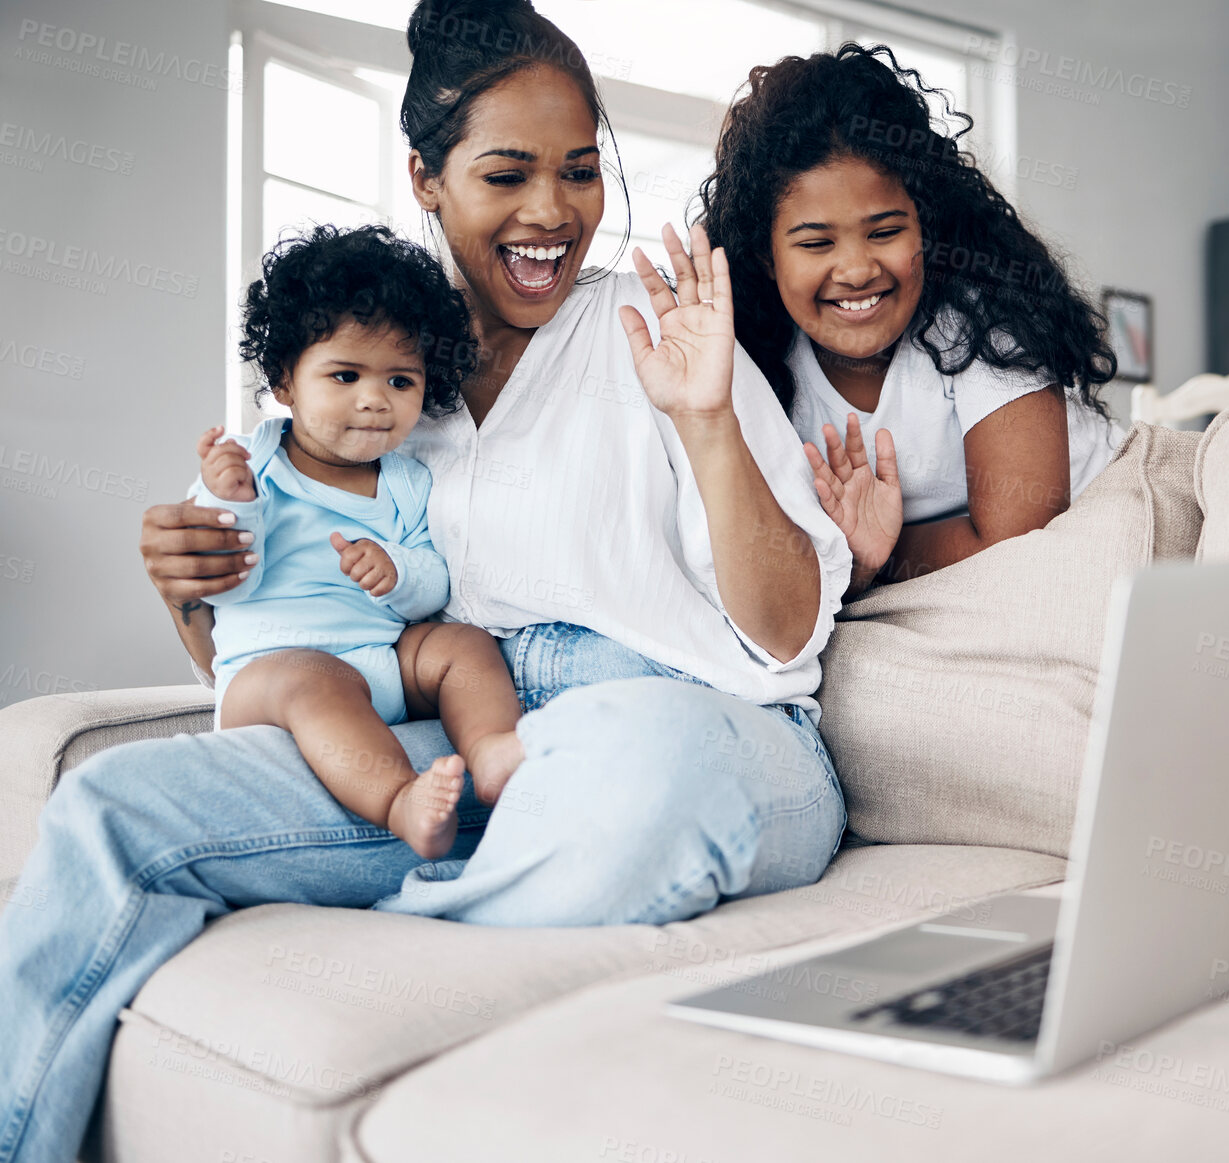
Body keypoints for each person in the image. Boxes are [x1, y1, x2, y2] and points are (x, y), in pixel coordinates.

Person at [0, 2, 849, 1159]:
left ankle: (411, 943)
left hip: (700, 724)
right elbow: (281, 653)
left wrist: (705, 421)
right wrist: (191, 595)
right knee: (110, 807)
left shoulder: (655, 327)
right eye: (508, 173)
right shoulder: (376, 371)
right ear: (426, 178)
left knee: (650, 754)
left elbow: (788, 632)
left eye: (581, 170)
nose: (554, 211)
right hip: (454, 742)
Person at [700, 43, 1122, 599]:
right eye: (816, 242)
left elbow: (1017, 540)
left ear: (926, 227)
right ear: (764, 257)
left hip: (1103, 522)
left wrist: (864, 551)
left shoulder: (980, 318)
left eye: (884, 232)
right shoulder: (758, 364)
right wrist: (850, 557)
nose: (855, 269)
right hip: (941, 587)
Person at [193, 224, 524, 859]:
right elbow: (222, 577)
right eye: (345, 376)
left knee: (461, 643)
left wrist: (399, 573)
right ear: (284, 382)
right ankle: (400, 800)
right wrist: (229, 504)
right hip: (272, 677)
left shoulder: (406, 480)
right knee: (314, 675)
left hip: (378, 659)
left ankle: (491, 753)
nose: (375, 400)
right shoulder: (250, 465)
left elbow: (435, 579)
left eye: (401, 381)